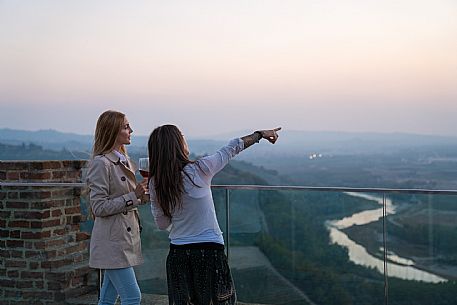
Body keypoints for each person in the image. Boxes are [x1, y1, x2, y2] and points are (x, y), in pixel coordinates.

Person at [147, 125, 281, 305]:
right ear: (178, 144)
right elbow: (233, 148)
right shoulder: (199, 169)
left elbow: (162, 224)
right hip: (209, 252)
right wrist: (260, 134)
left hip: (177, 254)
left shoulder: (155, 183)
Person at [86, 110, 148, 305]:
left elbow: (129, 199)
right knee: (132, 297)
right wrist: (133, 196)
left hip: (123, 239)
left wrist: (144, 196)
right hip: (112, 243)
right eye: (126, 126)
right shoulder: (101, 164)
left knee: (107, 299)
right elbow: (99, 207)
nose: (131, 130)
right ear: (112, 131)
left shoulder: (124, 161)